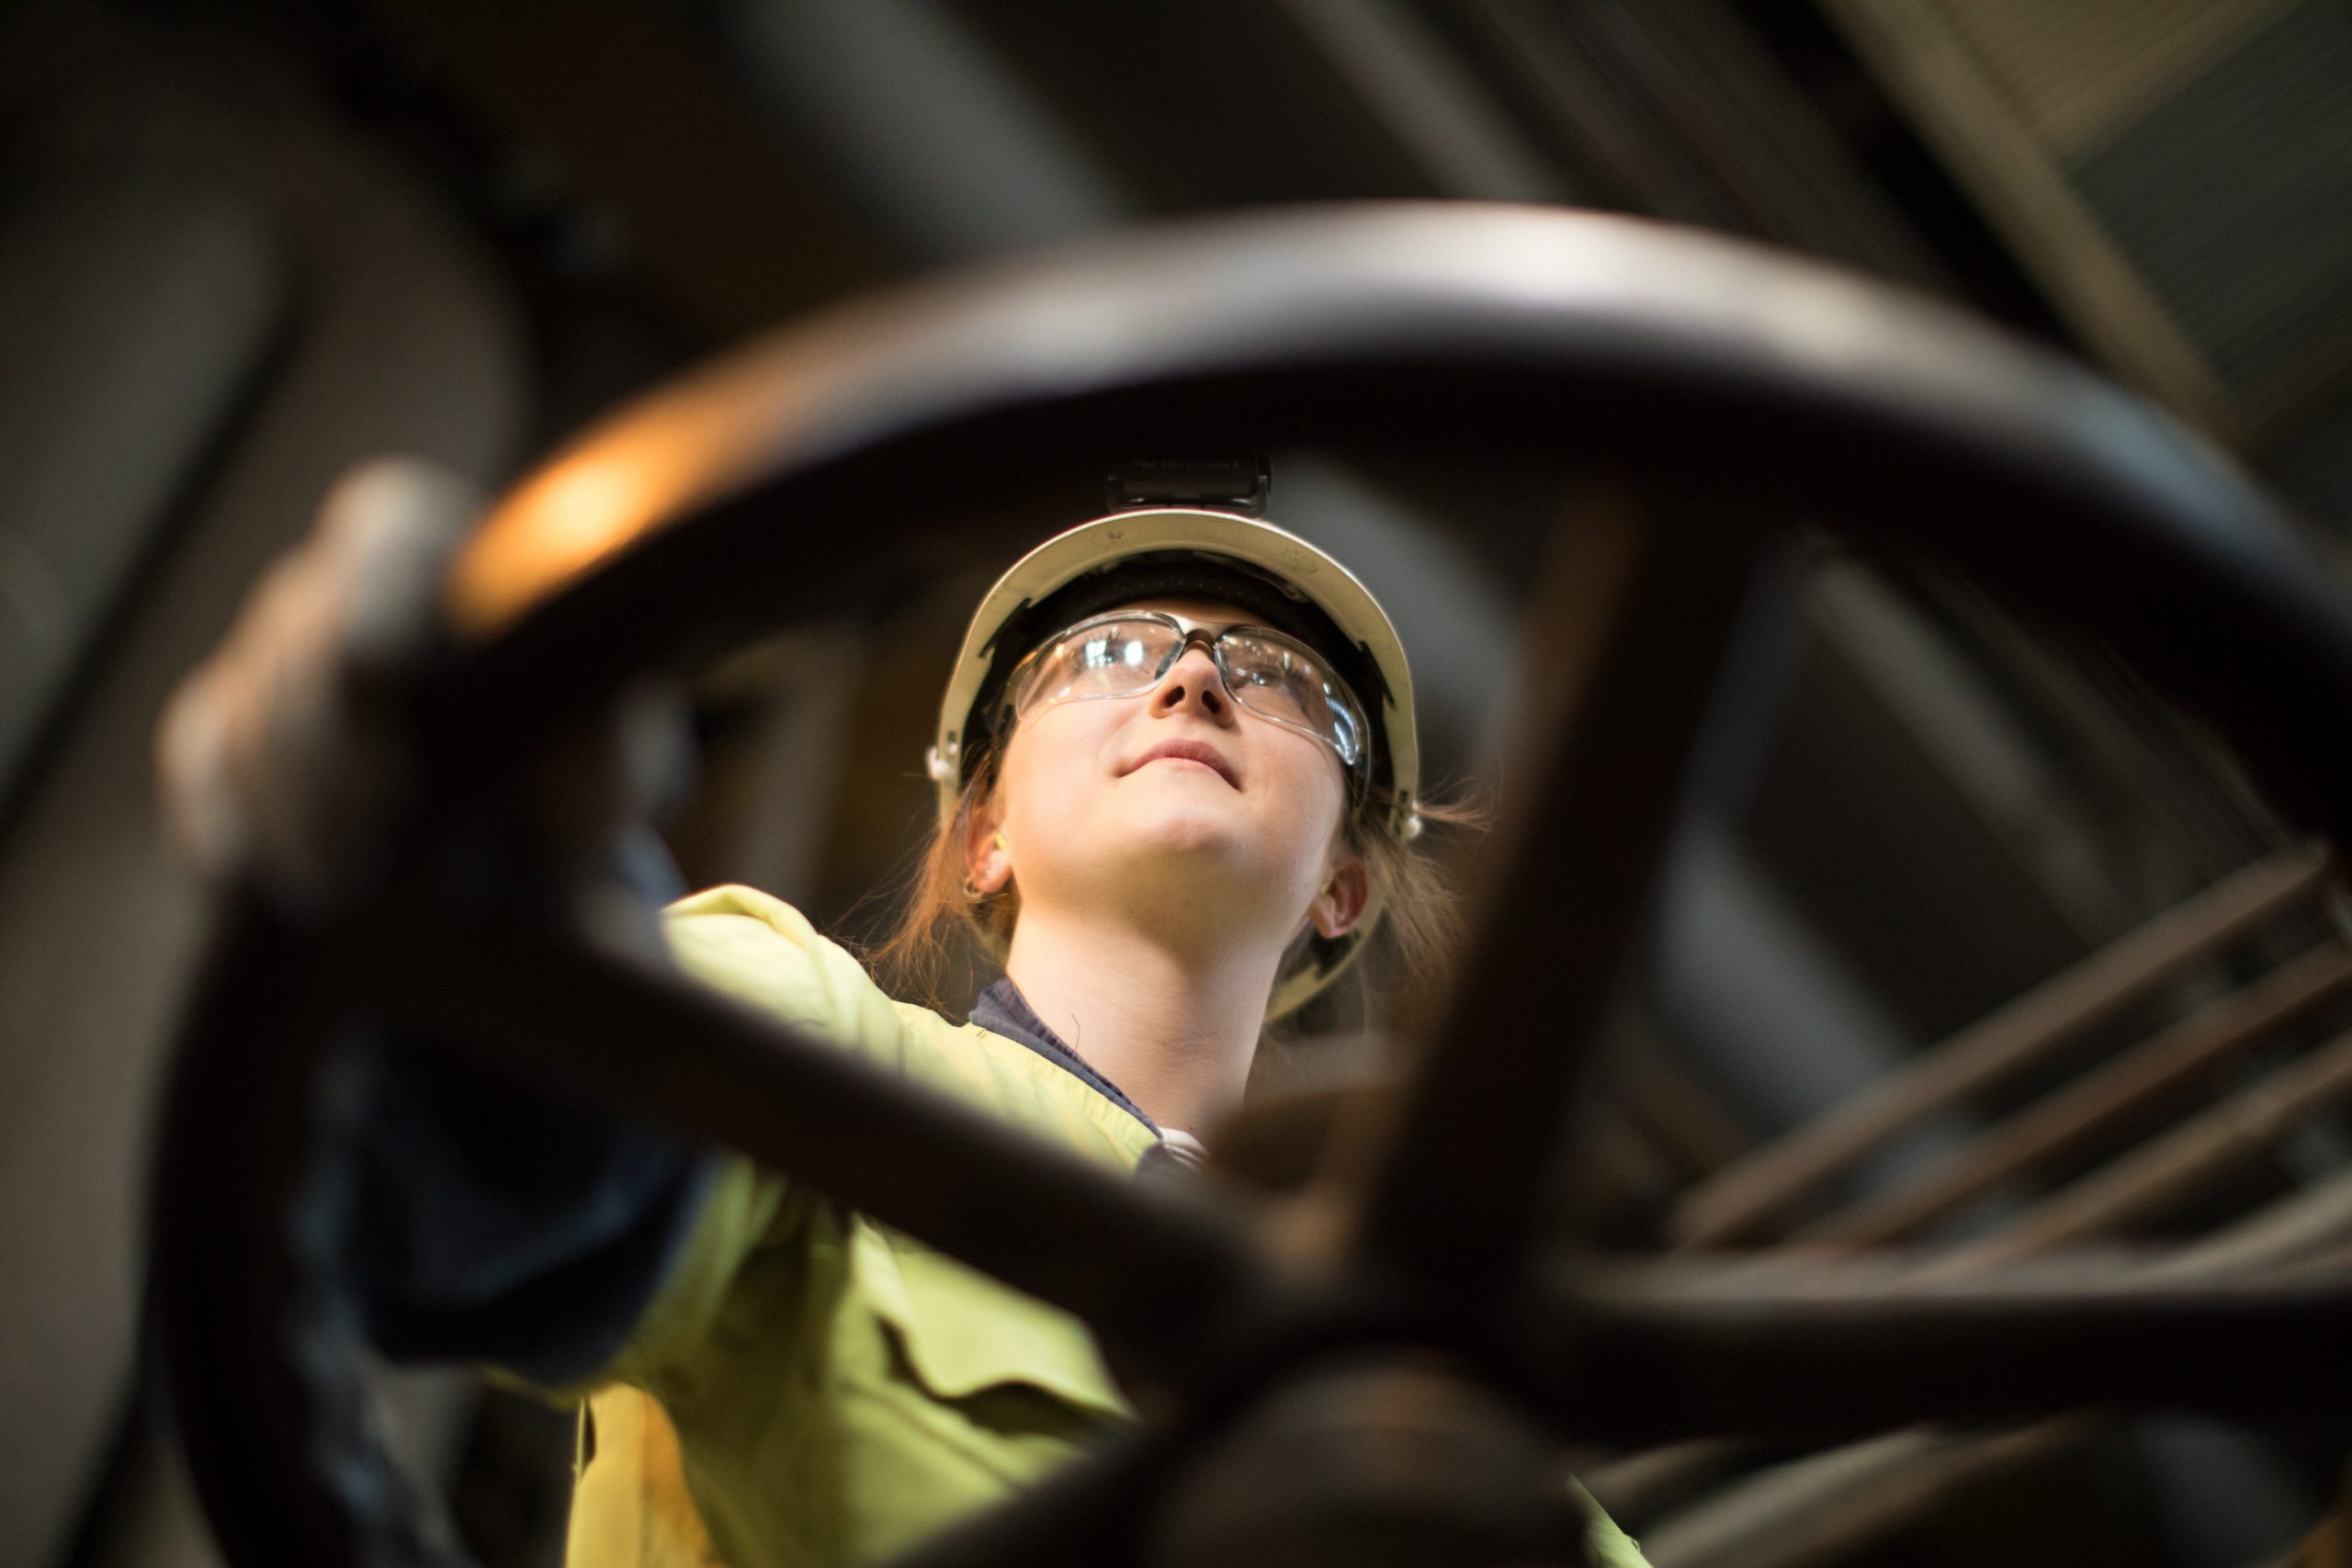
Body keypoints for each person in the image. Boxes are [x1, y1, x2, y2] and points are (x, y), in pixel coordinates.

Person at [158, 457, 1650, 1568]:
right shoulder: (799, 1046)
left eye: (1280, 682)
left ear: (1344, 885)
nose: (1196, 676)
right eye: (1113, 655)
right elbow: (526, 1170)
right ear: (984, 831)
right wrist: (481, 855)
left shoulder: (1513, 1446)